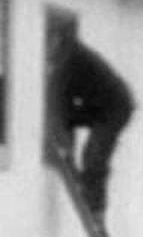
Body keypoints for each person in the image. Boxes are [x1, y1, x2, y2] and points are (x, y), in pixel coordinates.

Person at [47, 27, 135, 217]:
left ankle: (97, 207)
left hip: (116, 107)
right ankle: (68, 156)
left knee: (95, 154)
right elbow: (63, 104)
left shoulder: (72, 60)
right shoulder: (68, 59)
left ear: (59, 41)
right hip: (99, 107)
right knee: (69, 119)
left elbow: (61, 95)